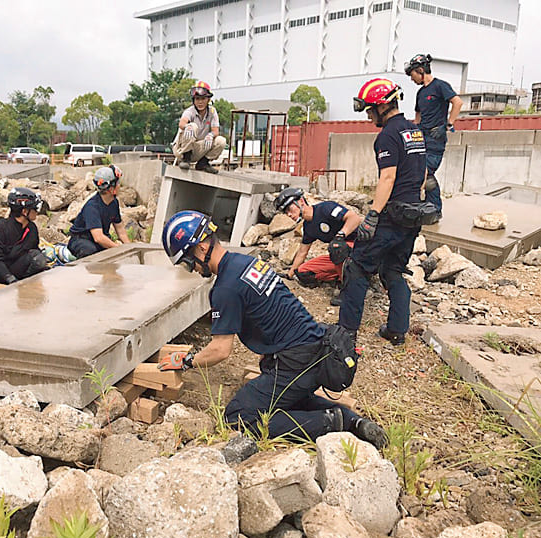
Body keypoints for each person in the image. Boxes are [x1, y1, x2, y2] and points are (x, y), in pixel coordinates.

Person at [158, 210, 386, 447]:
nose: (192, 269)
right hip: (317, 347)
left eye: (187, 262)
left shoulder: (224, 288)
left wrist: (186, 361)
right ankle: (352, 420)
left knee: (238, 417)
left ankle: (328, 423)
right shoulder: (245, 262)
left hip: (295, 361)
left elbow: (220, 350)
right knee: (287, 398)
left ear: (202, 248)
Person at [343, 78, 435, 346]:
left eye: (370, 109)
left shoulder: (387, 135)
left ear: (383, 106)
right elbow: (424, 174)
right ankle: (396, 330)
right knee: (393, 271)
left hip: (392, 216)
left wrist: (373, 215)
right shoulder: (414, 131)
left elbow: (388, 178)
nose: (369, 115)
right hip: (413, 215)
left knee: (357, 267)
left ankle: (345, 335)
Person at [277, 187, 361, 305]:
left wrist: (340, 236)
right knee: (302, 271)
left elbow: (354, 218)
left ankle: (349, 292)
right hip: (340, 254)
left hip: (359, 248)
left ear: (301, 201)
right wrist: (289, 274)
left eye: (290, 209)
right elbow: (302, 253)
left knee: (336, 248)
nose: (289, 214)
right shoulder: (308, 227)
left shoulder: (326, 208)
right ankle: (344, 276)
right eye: (286, 213)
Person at [405, 53, 463, 214]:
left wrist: (448, 124)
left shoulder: (440, 86)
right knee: (418, 172)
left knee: (427, 172)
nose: (412, 79)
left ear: (421, 70)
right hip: (422, 137)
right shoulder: (420, 93)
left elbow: (457, 102)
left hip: (435, 138)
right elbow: (418, 116)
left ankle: (435, 209)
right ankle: (427, 205)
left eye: (413, 75)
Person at [67, 165, 130, 259]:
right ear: (111, 189)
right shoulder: (92, 207)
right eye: (117, 183)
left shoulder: (114, 203)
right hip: (80, 239)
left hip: (98, 239)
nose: (119, 186)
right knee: (91, 251)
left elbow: (120, 230)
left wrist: (129, 247)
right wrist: (117, 248)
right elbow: (98, 237)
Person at [171, 81, 227, 174]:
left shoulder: (212, 112)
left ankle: (203, 163)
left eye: (203, 98)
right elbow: (182, 123)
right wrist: (187, 126)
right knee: (192, 126)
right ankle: (186, 158)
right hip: (181, 149)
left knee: (221, 141)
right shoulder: (190, 111)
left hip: (197, 148)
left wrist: (211, 135)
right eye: (197, 99)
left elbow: (216, 131)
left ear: (208, 100)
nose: (200, 102)